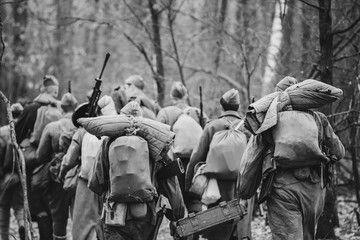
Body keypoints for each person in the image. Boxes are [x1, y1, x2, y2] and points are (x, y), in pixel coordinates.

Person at [88, 101, 186, 240]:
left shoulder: (108, 142)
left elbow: (96, 182)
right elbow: (170, 184)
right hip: (146, 216)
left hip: (115, 216)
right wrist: (176, 217)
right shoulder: (155, 144)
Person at [185, 89, 251, 240]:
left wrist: (188, 188)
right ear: (238, 107)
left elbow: (196, 157)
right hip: (240, 188)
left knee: (217, 229)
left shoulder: (212, 126)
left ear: (221, 107)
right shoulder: (247, 128)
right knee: (238, 230)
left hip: (215, 190)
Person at [59, 95, 117, 240]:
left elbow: (68, 160)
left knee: (83, 223)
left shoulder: (82, 132)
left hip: (87, 182)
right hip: (109, 183)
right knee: (104, 221)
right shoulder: (112, 129)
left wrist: (61, 174)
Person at [15, 75, 62, 240]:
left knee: (40, 208)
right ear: (55, 90)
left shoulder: (30, 109)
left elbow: (17, 136)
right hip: (58, 165)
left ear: (42, 89)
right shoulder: (61, 110)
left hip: (35, 164)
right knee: (55, 210)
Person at [36, 93, 78, 240]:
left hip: (57, 178)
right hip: (79, 178)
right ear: (76, 106)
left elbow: (40, 156)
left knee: (59, 218)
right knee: (79, 218)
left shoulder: (52, 127)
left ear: (62, 107)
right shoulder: (83, 127)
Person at [0, 103, 25, 240]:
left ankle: (4, 237)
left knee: (3, 208)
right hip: (19, 176)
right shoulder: (24, 130)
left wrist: (2, 176)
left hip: (4, 177)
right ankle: (22, 226)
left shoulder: (2, 131)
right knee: (19, 207)